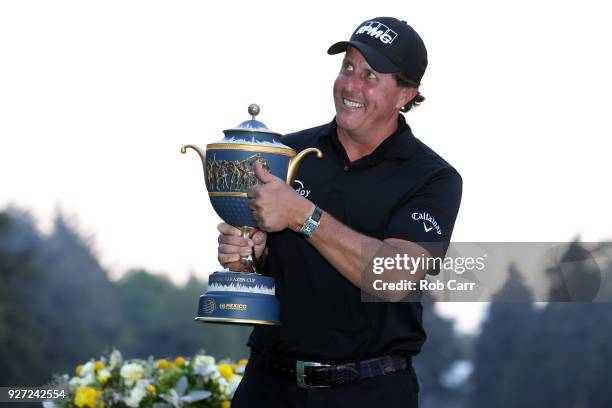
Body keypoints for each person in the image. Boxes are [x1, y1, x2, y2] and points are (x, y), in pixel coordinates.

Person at [217, 17, 462, 407]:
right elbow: (264, 263)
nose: (350, 84)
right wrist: (249, 253)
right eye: (347, 67)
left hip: (369, 391)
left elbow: (394, 277)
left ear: (406, 94)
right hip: (268, 387)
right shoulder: (286, 152)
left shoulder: (432, 179)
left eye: (370, 75)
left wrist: (304, 215)